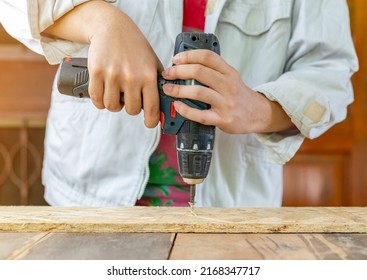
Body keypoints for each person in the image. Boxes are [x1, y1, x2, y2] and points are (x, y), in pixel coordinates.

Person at [0, 0, 358, 207]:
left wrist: (255, 109)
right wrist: (102, 21)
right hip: (89, 198)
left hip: (232, 215)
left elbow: (330, 72)